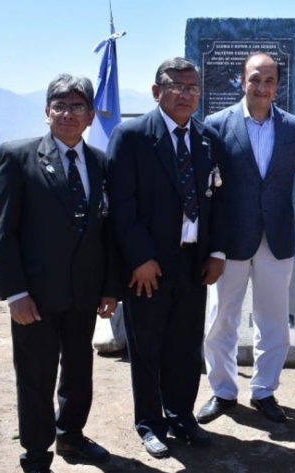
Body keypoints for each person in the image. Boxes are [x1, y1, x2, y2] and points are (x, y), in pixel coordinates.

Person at [0, 74, 121, 473]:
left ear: (90, 115)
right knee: (35, 376)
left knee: (79, 371)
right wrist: (15, 294)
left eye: (77, 106)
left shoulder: (99, 162)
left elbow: (107, 230)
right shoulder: (18, 156)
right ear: (47, 112)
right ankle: (36, 451)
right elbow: (2, 231)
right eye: (59, 106)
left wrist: (110, 288)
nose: (67, 113)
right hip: (35, 297)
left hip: (84, 294)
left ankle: (72, 436)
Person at [107, 57, 227, 458]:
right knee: (147, 348)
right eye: (176, 86)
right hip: (149, 267)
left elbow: (218, 201)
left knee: (186, 345)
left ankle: (181, 416)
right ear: (157, 91)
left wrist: (216, 252)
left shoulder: (208, 138)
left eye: (193, 87)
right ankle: (150, 423)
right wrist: (140, 257)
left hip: (194, 263)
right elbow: (122, 205)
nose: (185, 93)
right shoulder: (132, 136)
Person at [199, 52, 295, 425]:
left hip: (276, 238)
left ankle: (264, 390)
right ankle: (223, 390)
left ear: (277, 85)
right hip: (229, 242)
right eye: (254, 79)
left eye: (268, 80)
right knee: (221, 319)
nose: (261, 87)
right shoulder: (217, 124)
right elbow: (205, 187)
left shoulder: (293, 127)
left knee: (274, 320)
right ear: (242, 80)